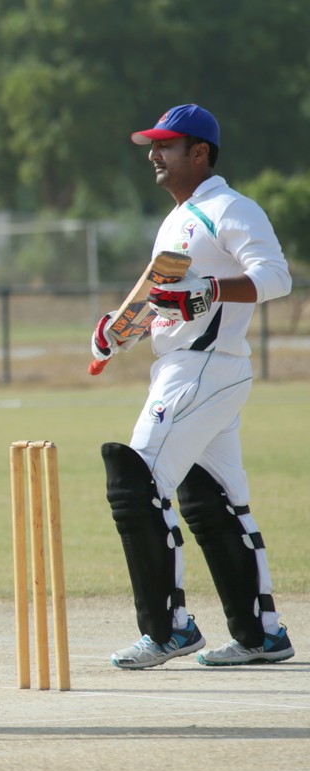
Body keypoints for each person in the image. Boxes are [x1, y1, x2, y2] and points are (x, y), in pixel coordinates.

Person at [91, 103, 295, 669]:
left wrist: (211, 290)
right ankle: (260, 635)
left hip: (204, 366)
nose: (153, 156)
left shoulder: (231, 208)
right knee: (213, 497)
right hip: (191, 367)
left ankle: (169, 629)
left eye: (166, 146)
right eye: (152, 146)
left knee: (137, 482)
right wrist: (117, 332)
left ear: (199, 153)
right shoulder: (178, 219)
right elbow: (163, 295)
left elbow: (276, 276)